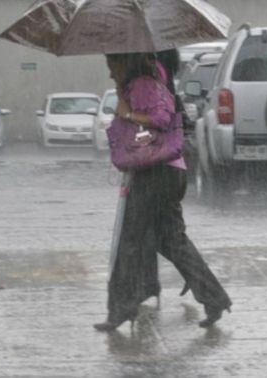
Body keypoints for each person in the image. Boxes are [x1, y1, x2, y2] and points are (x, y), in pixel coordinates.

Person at [94, 52, 232, 331]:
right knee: (171, 241)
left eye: (113, 65)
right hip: (167, 172)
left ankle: (121, 308)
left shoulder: (144, 83)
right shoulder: (141, 83)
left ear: (126, 62)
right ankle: (214, 298)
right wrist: (123, 99)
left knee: (130, 240)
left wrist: (128, 113)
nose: (110, 73)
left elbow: (161, 118)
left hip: (156, 173)